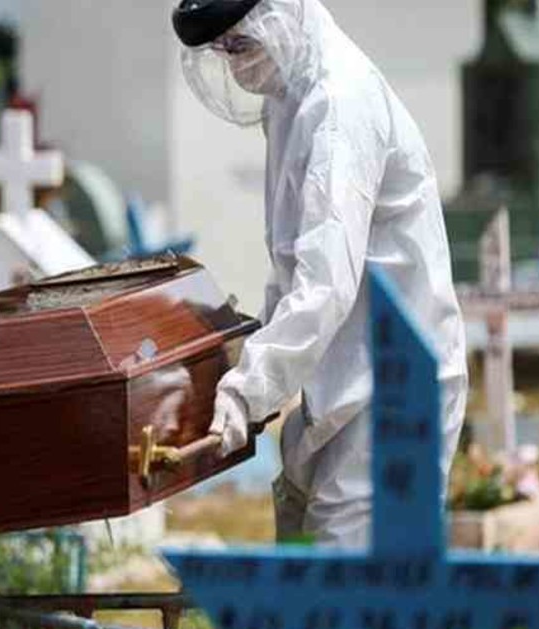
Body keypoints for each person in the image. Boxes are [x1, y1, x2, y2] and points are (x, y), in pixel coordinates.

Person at [172, 0, 469, 548]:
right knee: (305, 557)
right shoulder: (289, 97)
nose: (235, 64)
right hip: (342, 381)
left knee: (347, 583)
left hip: (393, 388)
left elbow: (325, 285)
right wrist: (247, 349)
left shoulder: (338, 105)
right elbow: (292, 260)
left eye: (240, 44)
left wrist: (248, 389)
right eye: (222, 50)